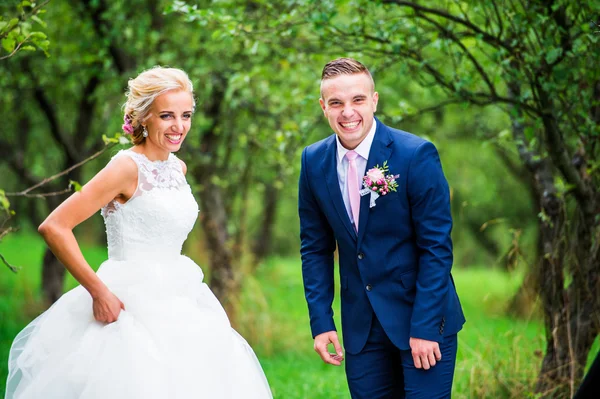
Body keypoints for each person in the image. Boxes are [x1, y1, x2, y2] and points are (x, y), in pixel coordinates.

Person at [5, 67, 272, 399]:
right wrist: (99, 293)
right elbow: (54, 226)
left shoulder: (178, 168)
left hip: (181, 295)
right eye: (167, 116)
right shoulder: (125, 167)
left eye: (186, 115)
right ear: (144, 117)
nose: (179, 126)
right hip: (129, 299)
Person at [298, 58, 466, 398]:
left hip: (421, 319)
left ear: (374, 100)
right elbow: (314, 248)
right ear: (323, 107)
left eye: (357, 100)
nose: (348, 112)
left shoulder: (415, 154)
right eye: (336, 103)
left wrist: (424, 327)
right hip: (362, 329)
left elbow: (436, 248)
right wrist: (321, 321)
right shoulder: (313, 161)